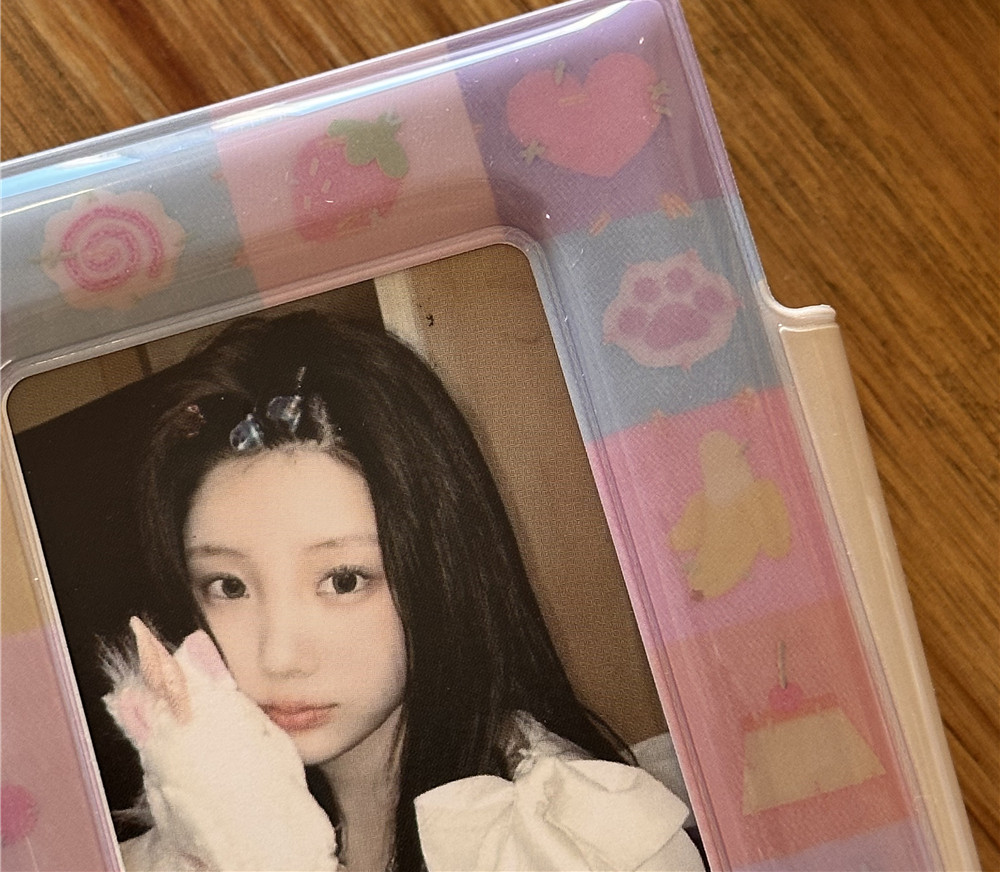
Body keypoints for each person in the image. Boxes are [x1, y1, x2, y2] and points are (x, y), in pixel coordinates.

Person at [136, 310, 703, 871]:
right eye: (229, 586)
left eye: (343, 581)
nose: (278, 657)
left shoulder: (569, 846)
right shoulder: (197, 833)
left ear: (439, 570)